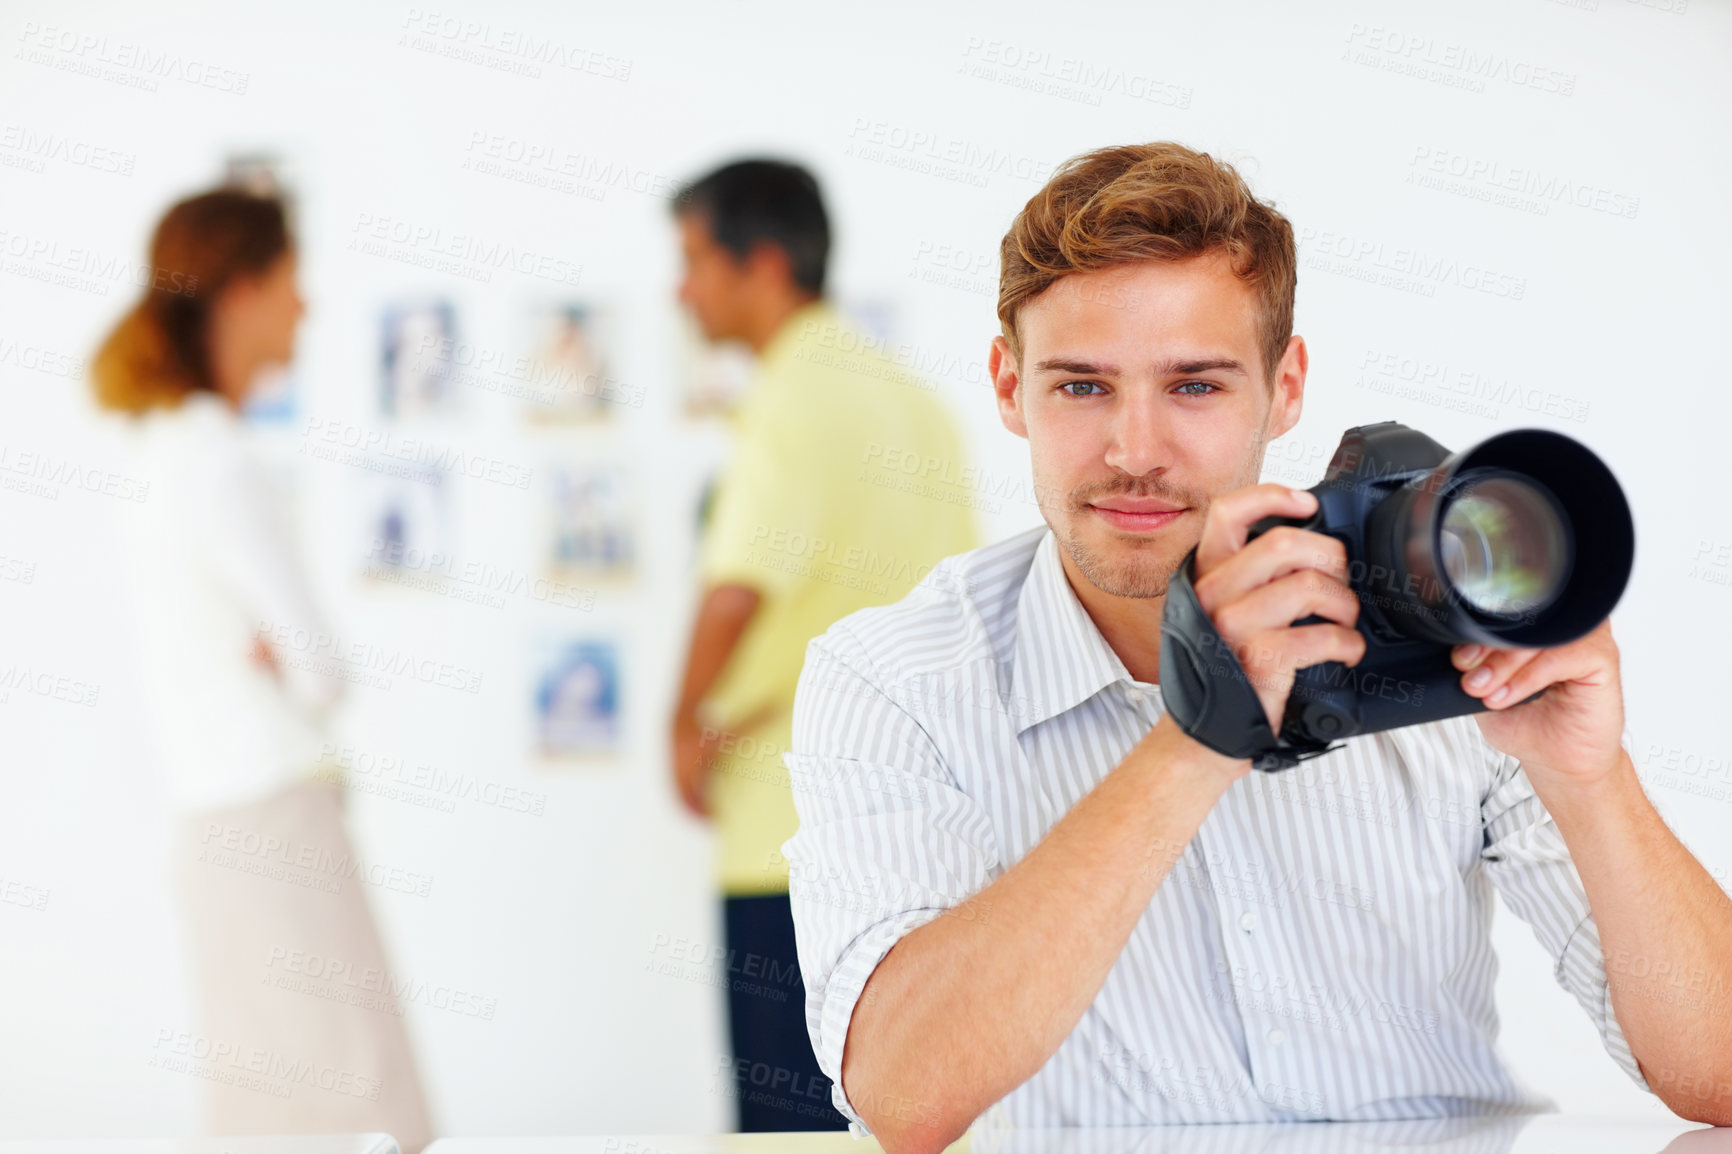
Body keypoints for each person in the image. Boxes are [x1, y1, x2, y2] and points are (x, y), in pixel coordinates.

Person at [781, 142, 1732, 1151]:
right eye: (1080, 387)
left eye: (1194, 386)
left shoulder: (1436, 631)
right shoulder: (894, 676)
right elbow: (903, 1094)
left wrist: (1593, 779)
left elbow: (1715, 1072)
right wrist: (1200, 731)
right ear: (1008, 388)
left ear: (1285, 388)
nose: (1135, 450)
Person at [92, 188, 434, 1151]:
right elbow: (324, 669)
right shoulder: (219, 459)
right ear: (240, 289)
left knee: (265, 1109)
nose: (307, 307)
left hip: (211, 822)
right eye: (293, 281)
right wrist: (286, 656)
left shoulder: (152, 449)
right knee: (370, 1106)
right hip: (277, 814)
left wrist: (274, 652)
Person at [667, 159, 978, 1131]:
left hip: (785, 834)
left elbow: (734, 587)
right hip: (928, 832)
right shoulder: (914, 401)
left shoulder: (787, 395)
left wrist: (681, 722)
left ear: (760, 263)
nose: (679, 290)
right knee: (912, 1119)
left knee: (785, 1121)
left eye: (691, 261)